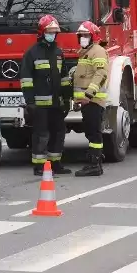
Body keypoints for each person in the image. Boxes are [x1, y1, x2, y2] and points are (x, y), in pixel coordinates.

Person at [20, 14, 72, 176]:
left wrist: (66, 98)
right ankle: (39, 165)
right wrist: (30, 102)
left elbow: (63, 78)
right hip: (40, 105)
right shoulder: (32, 53)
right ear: (42, 32)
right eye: (50, 32)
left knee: (59, 132)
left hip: (56, 103)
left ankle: (55, 163)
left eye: (55, 32)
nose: (52, 35)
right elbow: (26, 80)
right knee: (41, 134)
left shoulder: (58, 52)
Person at [72, 21, 109, 177]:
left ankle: (95, 165)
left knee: (94, 133)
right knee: (91, 132)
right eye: (81, 36)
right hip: (87, 102)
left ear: (93, 36)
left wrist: (88, 95)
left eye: (86, 35)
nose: (83, 38)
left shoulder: (97, 52)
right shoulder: (85, 52)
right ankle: (95, 162)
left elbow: (101, 75)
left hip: (93, 101)